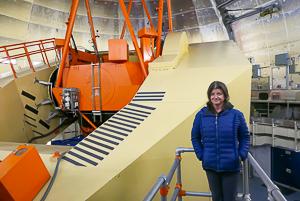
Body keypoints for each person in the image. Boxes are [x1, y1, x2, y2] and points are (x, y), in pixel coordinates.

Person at [191, 81, 250, 201]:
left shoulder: (236, 115)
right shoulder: (201, 115)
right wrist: (202, 155)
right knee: (216, 198)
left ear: (225, 96)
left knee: (229, 198)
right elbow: (195, 137)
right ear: (209, 96)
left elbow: (245, 137)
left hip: (231, 166)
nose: (215, 97)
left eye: (219, 93)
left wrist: (241, 155)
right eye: (212, 94)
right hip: (210, 166)